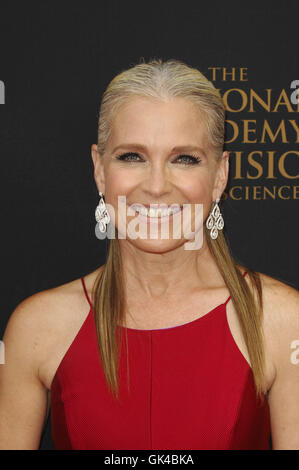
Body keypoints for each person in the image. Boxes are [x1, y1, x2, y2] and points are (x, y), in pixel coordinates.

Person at [0, 59, 299, 450]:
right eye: (132, 157)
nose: (157, 186)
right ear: (99, 170)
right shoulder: (38, 328)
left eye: (184, 159)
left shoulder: (280, 322)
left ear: (220, 176)